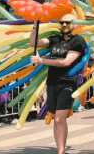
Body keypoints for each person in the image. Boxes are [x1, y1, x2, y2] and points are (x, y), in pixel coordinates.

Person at [29, 13, 87, 154]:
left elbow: (66, 62)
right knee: (56, 119)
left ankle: (61, 151)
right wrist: (35, 26)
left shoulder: (78, 41)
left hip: (67, 83)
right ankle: (60, 149)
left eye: (68, 22)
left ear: (75, 24)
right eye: (62, 22)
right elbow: (33, 42)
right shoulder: (55, 38)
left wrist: (41, 60)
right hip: (52, 82)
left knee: (60, 118)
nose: (64, 25)